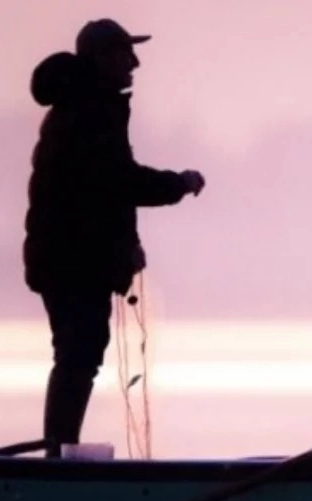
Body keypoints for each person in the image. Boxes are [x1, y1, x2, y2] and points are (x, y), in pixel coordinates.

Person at [22, 18, 205, 457]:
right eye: (126, 53)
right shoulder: (90, 110)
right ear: (103, 58)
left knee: (80, 352)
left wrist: (126, 247)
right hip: (71, 261)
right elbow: (118, 182)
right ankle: (57, 460)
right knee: (78, 353)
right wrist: (178, 183)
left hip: (71, 258)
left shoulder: (87, 105)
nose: (135, 63)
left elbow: (103, 193)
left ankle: (58, 454)